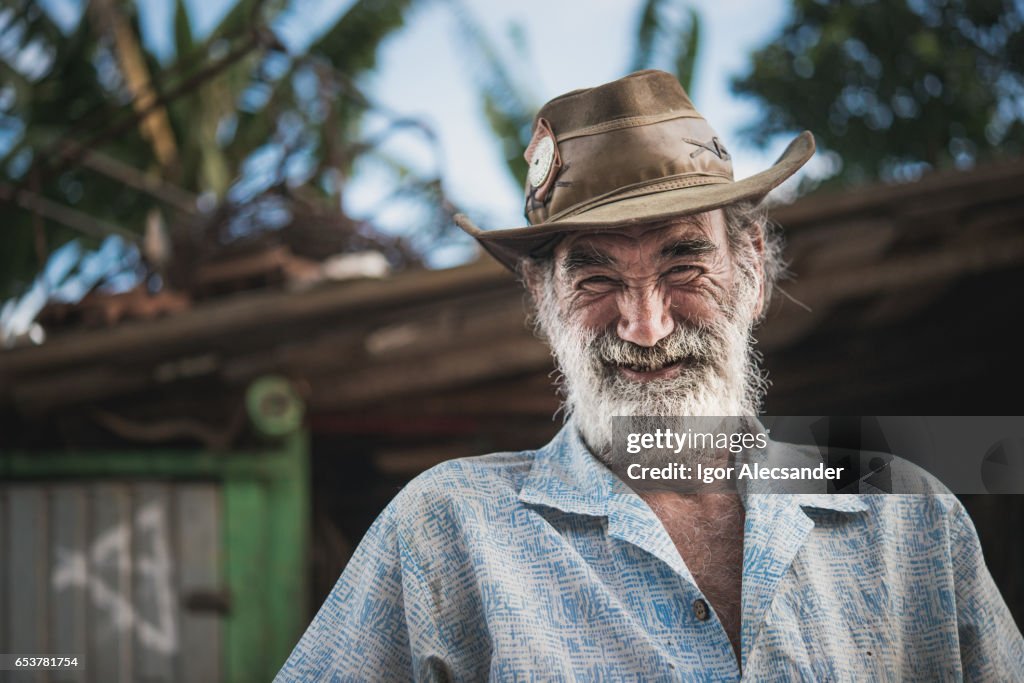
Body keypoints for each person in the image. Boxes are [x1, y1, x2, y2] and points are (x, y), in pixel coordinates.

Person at [275, 70, 1023, 681]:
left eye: (684, 263)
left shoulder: (908, 519)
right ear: (544, 302)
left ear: (753, 270)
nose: (645, 325)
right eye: (595, 278)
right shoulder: (445, 531)